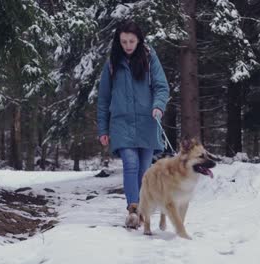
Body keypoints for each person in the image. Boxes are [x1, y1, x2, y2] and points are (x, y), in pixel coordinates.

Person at [96, 20, 169, 228]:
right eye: (124, 41)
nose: (127, 45)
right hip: (121, 123)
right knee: (130, 163)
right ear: (118, 42)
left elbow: (161, 86)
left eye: (131, 41)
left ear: (139, 40)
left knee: (144, 170)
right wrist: (103, 128)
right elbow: (103, 98)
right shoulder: (112, 63)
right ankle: (133, 210)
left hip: (148, 121)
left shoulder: (149, 57)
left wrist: (158, 105)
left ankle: (143, 209)